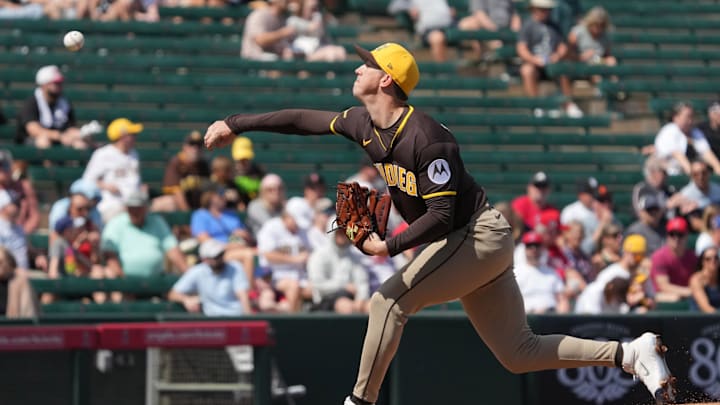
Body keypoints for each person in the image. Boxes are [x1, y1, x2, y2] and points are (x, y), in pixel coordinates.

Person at [203, 42, 676, 405]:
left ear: (387, 80)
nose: (357, 68)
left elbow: (442, 216)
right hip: (464, 245)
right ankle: (630, 354)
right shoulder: (363, 123)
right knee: (519, 352)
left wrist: (385, 247)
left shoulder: (426, 138)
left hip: (476, 235)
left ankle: (358, 401)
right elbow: (301, 120)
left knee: (387, 302)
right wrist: (237, 123)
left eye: (367, 64)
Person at [516, 0, 583, 118]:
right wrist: (534, 59)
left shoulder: (554, 26)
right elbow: (521, 48)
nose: (545, 12)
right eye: (542, 9)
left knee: (564, 68)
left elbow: (562, 46)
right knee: (527, 70)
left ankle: (568, 104)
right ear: (534, 9)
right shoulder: (528, 25)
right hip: (535, 63)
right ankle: (536, 106)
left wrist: (556, 56)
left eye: (547, 9)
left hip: (552, 62)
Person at [101, 190, 188, 278]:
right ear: (126, 208)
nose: (135, 211)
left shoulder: (157, 222)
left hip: (156, 280)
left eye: (138, 208)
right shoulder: (116, 223)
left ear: (146, 208)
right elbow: (109, 254)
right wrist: (123, 283)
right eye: (131, 208)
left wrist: (188, 273)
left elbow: (173, 249)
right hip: (124, 281)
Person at [256, 199, 313, 313]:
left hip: (302, 277)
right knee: (293, 286)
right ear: (288, 215)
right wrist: (294, 259)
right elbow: (267, 255)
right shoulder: (271, 227)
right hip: (274, 276)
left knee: (320, 289)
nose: (297, 224)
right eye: (296, 220)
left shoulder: (304, 230)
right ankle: (293, 324)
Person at [168, 239, 252, 316]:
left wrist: (248, 319)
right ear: (205, 259)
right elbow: (173, 294)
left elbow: (243, 296)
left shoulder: (235, 267)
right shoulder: (197, 271)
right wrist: (186, 299)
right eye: (215, 257)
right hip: (213, 321)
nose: (219, 259)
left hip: (237, 317)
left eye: (221, 254)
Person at [82, 118, 143, 223]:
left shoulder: (134, 154)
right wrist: (106, 186)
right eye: (131, 134)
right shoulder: (103, 154)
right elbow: (87, 181)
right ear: (122, 136)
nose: (134, 137)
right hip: (111, 205)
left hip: (134, 203)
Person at [575, 234, 655, 314]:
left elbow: (651, 298)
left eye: (641, 256)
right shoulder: (609, 274)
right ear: (625, 252)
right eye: (636, 255)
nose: (638, 259)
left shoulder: (641, 275)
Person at [307, 222, 370, 314]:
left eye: (345, 232)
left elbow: (362, 282)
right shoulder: (319, 255)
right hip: (326, 300)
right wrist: (343, 286)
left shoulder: (355, 257)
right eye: (339, 232)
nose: (343, 236)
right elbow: (318, 285)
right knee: (346, 306)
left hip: (351, 297)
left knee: (373, 306)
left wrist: (361, 299)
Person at [651, 102, 720, 177]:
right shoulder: (670, 131)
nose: (690, 120)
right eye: (687, 117)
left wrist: (718, 168)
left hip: (683, 174)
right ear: (676, 117)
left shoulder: (695, 132)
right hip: (665, 176)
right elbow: (679, 157)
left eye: (692, 117)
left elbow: (706, 153)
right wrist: (694, 176)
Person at [513, 231, 569, 314]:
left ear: (541, 248)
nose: (534, 249)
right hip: (526, 318)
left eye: (537, 245)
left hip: (551, 317)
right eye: (529, 246)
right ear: (524, 249)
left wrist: (561, 317)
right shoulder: (516, 273)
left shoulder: (552, 273)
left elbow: (562, 299)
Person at [153, 130, 210, 212]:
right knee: (169, 203)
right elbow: (177, 193)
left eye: (199, 145)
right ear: (185, 147)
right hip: (179, 207)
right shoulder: (177, 162)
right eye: (192, 144)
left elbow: (208, 191)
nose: (195, 148)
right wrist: (187, 217)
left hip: (197, 207)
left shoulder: (203, 165)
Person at [387, 0, 453, 62]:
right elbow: (393, 7)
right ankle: (443, 71)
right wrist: (409, 8)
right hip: (430, 28)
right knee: (437, 38)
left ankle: (462, 68)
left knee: (464, 24)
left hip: (452, 24)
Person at [650, 217, 696, 303]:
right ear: (667, 236)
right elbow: (663, 286)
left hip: (688, 298)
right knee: (674, 298)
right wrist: (691, 291)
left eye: (680, 234)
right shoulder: (659, 256)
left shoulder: (692, 256)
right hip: (663, 300)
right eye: (672, 234)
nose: (676, 238)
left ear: (686, 236)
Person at [457, 0, 521, 61]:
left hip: (505, 29)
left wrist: (514, 35)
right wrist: (494, 33)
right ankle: (481, 59)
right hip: (488, 29)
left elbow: (514, 15)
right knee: (466, 25)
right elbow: (479, 14)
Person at [0, 150, 39, 235]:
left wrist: (21, 233)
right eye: (0, 166)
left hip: (19, 237)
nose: (2, 169)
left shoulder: (24, 186)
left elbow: (34, 216)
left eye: (5, 165)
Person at [0, 246, 38, 318]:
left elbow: (28, 314)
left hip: (13, 327)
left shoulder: (20, 282)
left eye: (1, 262)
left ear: (9, 263)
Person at [231, 136, 265, 211]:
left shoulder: (259, 172)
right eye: (240, 160)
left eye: (246, 159)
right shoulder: (229, 175)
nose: (243, 163)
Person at [0, 189, 28, 270]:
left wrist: (37, 257)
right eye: (15, 203)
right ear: (3, 205)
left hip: (23, 275)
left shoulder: (19, 228)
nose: (18, 206)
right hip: (7, 278)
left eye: (18, 204)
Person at [689, 246, 720, 313]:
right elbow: (706, 308)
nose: (713, 261)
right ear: (702, 261)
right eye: (708, 259)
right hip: (702, 321)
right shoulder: (697, 280)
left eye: (716, 258)